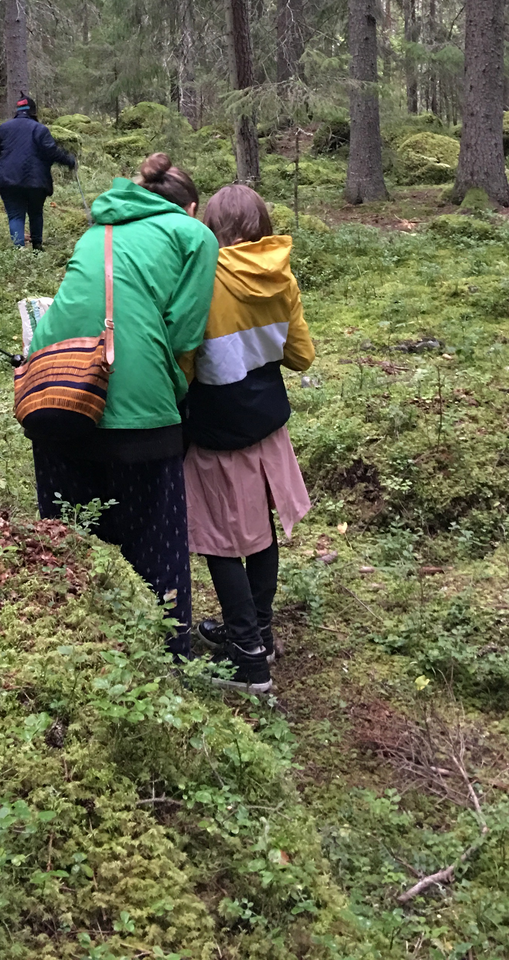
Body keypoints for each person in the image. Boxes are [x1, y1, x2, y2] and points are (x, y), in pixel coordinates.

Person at [24, 153, 218, 655]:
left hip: (56, 395)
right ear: (189, 207)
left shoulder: (96, 232)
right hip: (139, 406)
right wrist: (174, 394)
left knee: (70, 538)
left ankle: (74, 649)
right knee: (156, 539)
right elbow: (185, 332)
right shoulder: (195, 236)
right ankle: (169, 655)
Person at [183, 184, 314, 693]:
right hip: (267, 427)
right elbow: (301, 356)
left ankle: (248, 659)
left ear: (212, 228)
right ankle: (260, 630)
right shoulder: (280, 274)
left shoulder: (204, 278)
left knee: (220, 541)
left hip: (218, 432)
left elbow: (184, 363)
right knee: (260, 533)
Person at [0, 96, 76, 249]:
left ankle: (19, 250)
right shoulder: (40, 129)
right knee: (36, 212)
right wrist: (69, 161)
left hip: (8, 179)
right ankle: (37, 247)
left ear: (17, 111)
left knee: (15, 215)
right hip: (36, 180)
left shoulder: (4, 128)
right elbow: (51, 151)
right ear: (33, 111)